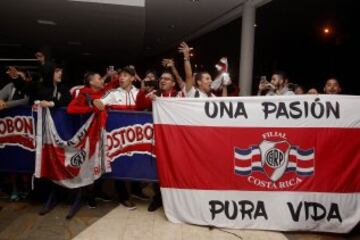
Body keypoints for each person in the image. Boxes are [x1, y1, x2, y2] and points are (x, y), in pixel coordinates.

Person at [93, 66, 148, 210]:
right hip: (117, 138)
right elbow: (99, 103)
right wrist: (94, 102)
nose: (121, 78)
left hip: (136, 136)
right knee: (120, 164)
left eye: (125, 75)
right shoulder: (112, 93)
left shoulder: (139, 93)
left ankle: (136, 190)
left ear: (132, 78)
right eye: (120, 76)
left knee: (136, 161)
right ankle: (123, 197)